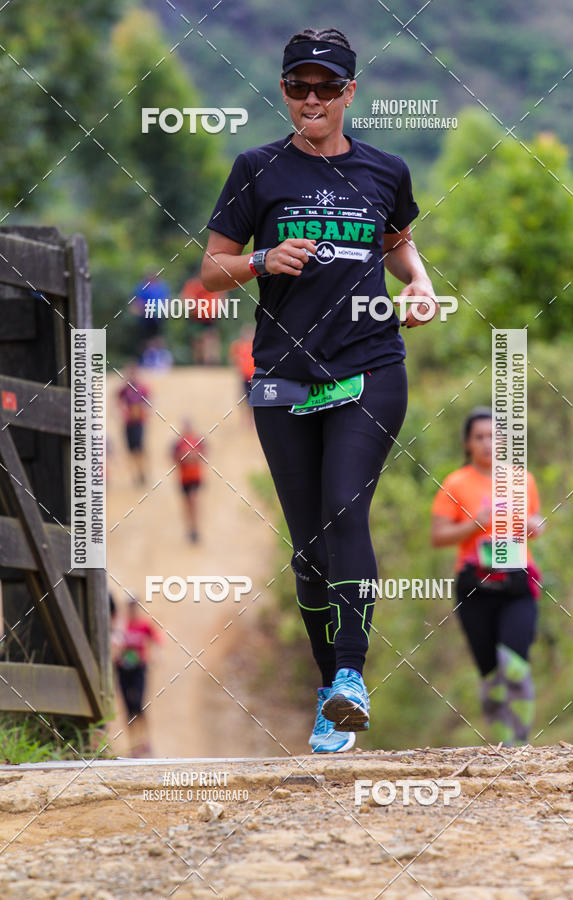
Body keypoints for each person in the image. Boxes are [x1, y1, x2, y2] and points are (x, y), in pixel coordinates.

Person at [201, 27, 438, 752]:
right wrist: (264, 259)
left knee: (344, 511)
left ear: (348, 94)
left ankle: (352, 676)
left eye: (326, 87)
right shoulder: (255, 170)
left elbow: (397, 243)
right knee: (306, 546)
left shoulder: (385, 169)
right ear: (283, 92)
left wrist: (421, 281)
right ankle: (328, 687)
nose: (312, 99)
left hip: (370, 364)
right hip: (280, 375)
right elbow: (212, 269)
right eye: (299, 86)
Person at [431, 407, 546, 746]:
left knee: (514, 664)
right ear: (467, 443)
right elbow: (438, 536)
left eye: (493, 436)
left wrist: (535, 527)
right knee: (491, 672)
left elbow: (537, 521)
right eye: (478, 437)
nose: (486, 443)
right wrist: (475, 523)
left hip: (517, 580)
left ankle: (520, 744)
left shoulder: (523, 480)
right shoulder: (455, 483)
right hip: (474, 585)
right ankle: (502, 745)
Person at [113, 596, 162, 757]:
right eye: (130, 606)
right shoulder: (122, 626)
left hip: (139, 668)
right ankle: (133, 745)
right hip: (123, 669)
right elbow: (114, 644)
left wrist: (154, 656)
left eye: (135, 605)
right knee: (128, 707)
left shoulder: (144, 625)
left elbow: (157, 640)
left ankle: (145, 741)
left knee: (139, 704)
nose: (132, 609)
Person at [171, 420, 207, 543]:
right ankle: (191, 528)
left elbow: (204, 455)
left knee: (193, 501)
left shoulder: (197, 441)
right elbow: (173, 458)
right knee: (187, 504)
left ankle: (195, 528)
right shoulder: (178, 444)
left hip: (195, 477)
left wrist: (193, 457)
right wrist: (184, 458)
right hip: (184, 478)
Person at [116, 362, 151, 487]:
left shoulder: (141, 389)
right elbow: (118, 402)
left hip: (138, 422)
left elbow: (149, 402)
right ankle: (136, 474)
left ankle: (143, 472)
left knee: (140, 448)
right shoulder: (124, 390)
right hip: (129, 423)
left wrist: (143, 413)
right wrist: (124, 412)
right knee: (131, 450)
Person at [180, 273, 223, 365]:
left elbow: (221, 296)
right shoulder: (193, 284)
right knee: (197, 341)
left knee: (210, 339)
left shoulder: (212, 283)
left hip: (209, 316)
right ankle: (200, 362)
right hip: (197, 316)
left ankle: (211, 361)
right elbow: (185, 298)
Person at [229, 324, 255, 426]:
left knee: (253, 399)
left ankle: (252, 420)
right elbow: (233, 358)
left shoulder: (255, 345)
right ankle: (245, 420)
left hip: (255, 378)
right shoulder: (238, 345)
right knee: (244, 399)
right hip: (245, 377)